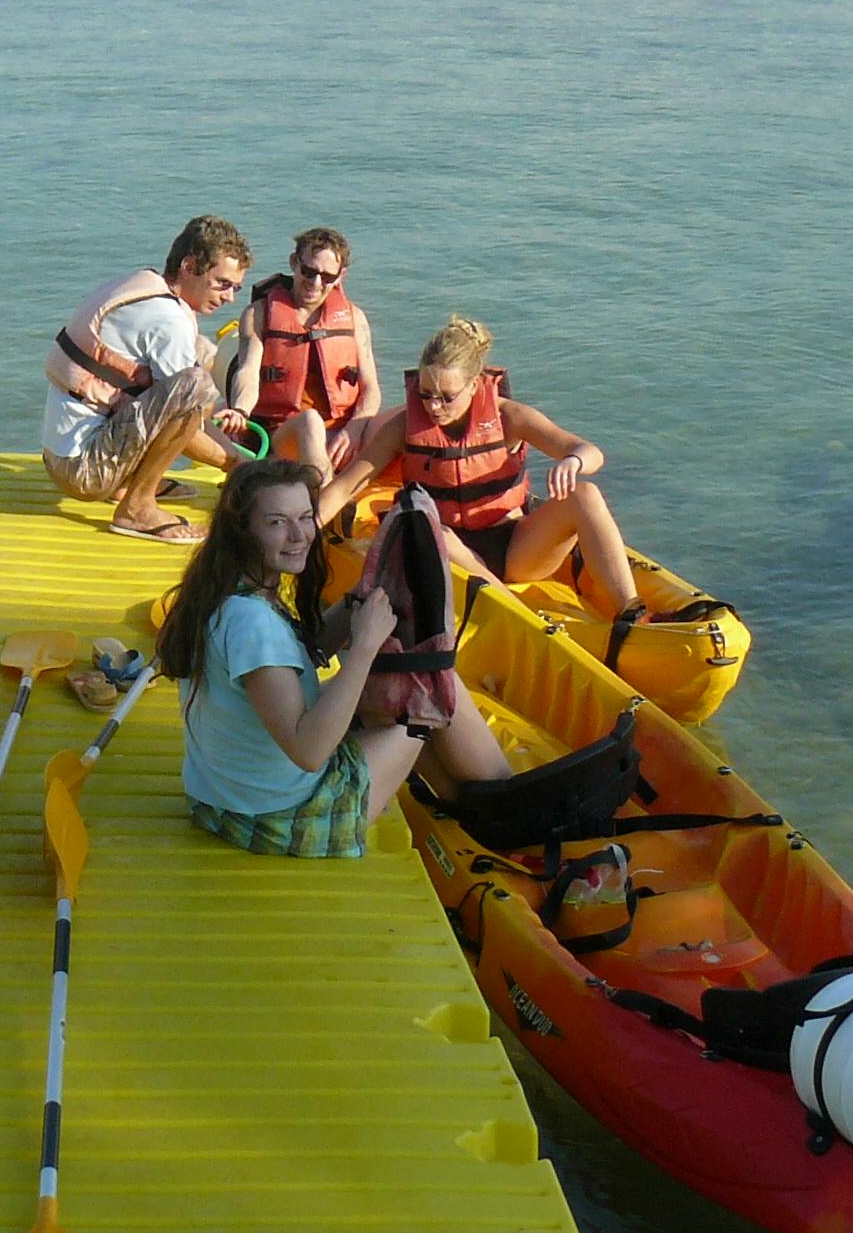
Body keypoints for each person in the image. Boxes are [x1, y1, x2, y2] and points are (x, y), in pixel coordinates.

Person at [157, 460, 512, 858]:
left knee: (397, 692)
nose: (298, 536)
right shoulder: (252, 623)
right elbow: (308, 752)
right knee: (423, 703)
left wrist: (355, 600)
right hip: (281, 818)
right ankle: (504, 810)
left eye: (306, 517)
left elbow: (298, 656)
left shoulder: (229, 591)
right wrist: (362, 647)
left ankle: (479, 801)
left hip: (225, 800)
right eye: (276, 523)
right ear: (242, 532)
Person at [319, 315, 655, 623]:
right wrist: (307, 525)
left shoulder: (509, 417)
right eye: (426, 394)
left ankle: (631, 611)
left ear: (475, 385)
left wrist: (573, 461)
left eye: (446, 397)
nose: (434, 407)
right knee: (430, 526)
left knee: (586, 495)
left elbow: (588, 451)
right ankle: (518, 614)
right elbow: (347, 486)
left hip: (513, 548)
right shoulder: (404, 427)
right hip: (447, 551)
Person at [41, 215, 252, 545]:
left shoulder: (143, 285)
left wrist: (233, 456)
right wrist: (235, 463)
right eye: (222, 283)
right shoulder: (167, 320)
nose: (230, 298)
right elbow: (187, 418)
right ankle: (137, 508)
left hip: (62, 457)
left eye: (236, 288)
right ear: (190, 265)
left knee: (195, 363)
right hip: (84, 471)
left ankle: (129, 482)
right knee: (195, 385)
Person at [216, 226, 381, 481]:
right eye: (309, 271)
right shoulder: (258, 314)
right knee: (310, 421)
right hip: (286, 433)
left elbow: (371, 388)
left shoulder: (354, 318)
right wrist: (241, 411)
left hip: (342, 432)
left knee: (404, 420)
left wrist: (356, 428)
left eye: (327, 277)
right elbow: (248, 370)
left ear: (340, 276)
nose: (315, 283)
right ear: (294, 262)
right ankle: (324, 503)